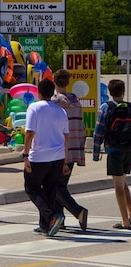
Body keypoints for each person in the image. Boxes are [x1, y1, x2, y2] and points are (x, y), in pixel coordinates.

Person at [23, 79, 69, 237]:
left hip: (39, 156)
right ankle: (45, 226)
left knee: (32, 188)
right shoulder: (60, 110)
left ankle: (51, 217)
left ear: (38, 92)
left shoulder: (34, 108)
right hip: (57, 156)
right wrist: (64, 160)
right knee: (49, 190)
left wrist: (25, 154)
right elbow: (65, 136)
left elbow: (29, 132)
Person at [51, 69, 89, 231]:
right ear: (68, 83)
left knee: (55, 187)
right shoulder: (76, 102)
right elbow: (81, 128)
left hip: (59, 149)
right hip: (74, 148)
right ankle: (60, 220)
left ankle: (78, 211)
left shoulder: (54, 103)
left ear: (54, 82)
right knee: (60, 185)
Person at [93, 79, 131, 230]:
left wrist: (96, 153)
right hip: (129, 149)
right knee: (123, 183)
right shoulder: (129, 107)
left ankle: (125, 221)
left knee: (118, 186)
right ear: (123, 91)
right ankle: (129, 215)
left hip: (114, 149)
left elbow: (99, 131)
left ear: (109, 92)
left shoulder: (106, 107)